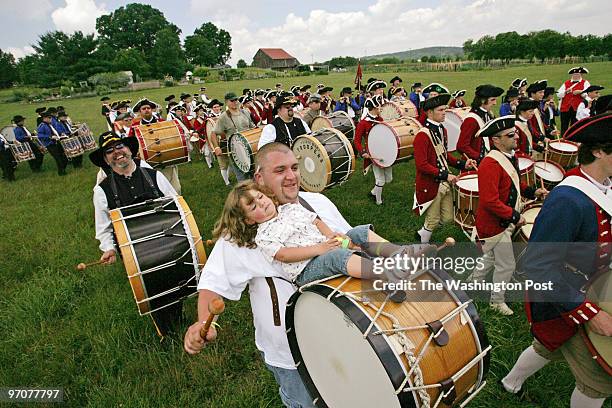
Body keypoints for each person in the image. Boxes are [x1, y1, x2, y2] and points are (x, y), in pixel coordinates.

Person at [183, 142, 423, 406]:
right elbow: (212, 286)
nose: (291, 176)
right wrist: (204, 323)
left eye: (295, 168)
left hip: (348, 335)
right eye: (280, 170)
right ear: (259, 179)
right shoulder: (238, 238)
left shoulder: (317, 202)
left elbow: (350, 244)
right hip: (290, 352)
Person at [502, 113, 612, 407]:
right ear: (599, 150)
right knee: (598, 381)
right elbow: (537, 267)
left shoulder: (604, 187)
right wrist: (589, 312)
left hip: (594, 288)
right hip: (568, 297)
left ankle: (510, 383)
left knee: (547, 346)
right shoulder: (568, 199)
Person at [216, 179, 421, 290]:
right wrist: (321, 248)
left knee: (358, 232)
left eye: (260, 197)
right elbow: (284, 255)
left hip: (326, 246)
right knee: (336, 257)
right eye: (253, 207)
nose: (261, 203)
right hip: (307, 269)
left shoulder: (290, 208)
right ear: (249, 220)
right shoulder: (264, 235)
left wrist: (334, 237)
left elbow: (316, 221)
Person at [90, 131, 179, 336]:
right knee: (152, 289)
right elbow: (103, 227)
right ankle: (165, 330)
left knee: (174, 279)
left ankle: (177, 318)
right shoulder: (101, 191)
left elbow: (177, 205)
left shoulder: (155, 176)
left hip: (167, 239)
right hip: (134, 252)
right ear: (105, 160)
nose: (117, 152)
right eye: (109, 151)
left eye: (120, 146)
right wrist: (109, 249)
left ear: (129, 150)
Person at [471, 116, 546, 315]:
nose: (516, 137)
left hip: (504, 219)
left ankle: (473, 282)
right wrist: (514, 215)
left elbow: (513, 184)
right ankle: (496, 301)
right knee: (506, 264)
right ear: (496, 140)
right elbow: (489, 200)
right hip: (495, 222)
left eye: (515, 133)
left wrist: (532, 192)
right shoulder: (490, 164)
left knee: (491, 255)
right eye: (510, 135)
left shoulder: (509, 156)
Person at [413, 94, 476, 243]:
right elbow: (422, 165)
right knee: (433, 220)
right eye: (441, 110)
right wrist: (445, 175)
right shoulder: (422, 136)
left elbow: (443, 155)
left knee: (448, 218)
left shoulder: (442, 130)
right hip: (430, 182)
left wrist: (462, 164)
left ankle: (422, 233)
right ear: (429, 113)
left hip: (443, 179)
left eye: (445, 109)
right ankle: (423, 248)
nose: (444, 113)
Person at [212, 92, 256, 184]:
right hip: (235, 152)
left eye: (236, 100)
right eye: (232, 100)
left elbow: (252, 128)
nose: (235, 102)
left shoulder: (245, 112)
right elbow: (213, 133)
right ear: (226, 102)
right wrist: (216, 147)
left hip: (250, 149)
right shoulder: (223, 117)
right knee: (242, 179)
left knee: (255, 176)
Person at [457, 84, 504, 163]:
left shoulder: (486, 114)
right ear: (482, 100)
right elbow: (462, 146)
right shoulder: (471, 120)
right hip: (474, 164)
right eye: (492, 100)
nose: (495, 103)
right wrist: (480, 157)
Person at [354, 95, 387, 205]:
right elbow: (357, 141)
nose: (381, 108)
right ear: (373, 108)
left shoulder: (380, 119)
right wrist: (363, 152)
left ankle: (373, 192)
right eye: (379, 107)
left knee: (389, 179)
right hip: (372, 153)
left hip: (384, 151)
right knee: (380, 180)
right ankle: (378, 201)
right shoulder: (363, 123)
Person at [557, 66, 591, 136]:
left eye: (577, 74)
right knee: (564, 125)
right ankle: (564, 138)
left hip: (577, 108)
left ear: (581, 75)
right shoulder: (566, 83)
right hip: (565, 108)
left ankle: (573, 139)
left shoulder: (585, 83)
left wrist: (581, 92)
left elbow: (589, 94)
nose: (575, 76)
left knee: (575, 125)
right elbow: (558, 94)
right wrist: (565, 91)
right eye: (574, 74)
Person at [37, 110, 68, 176]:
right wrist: (50, 137)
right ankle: (61, 172)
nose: (51, 119)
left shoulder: (51, 124)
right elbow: (40, 136)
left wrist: (60, 134)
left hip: (57, 142)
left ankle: (63, 169)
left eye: (51, 117)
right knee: (58, 158)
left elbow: (55, 131)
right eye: (49, 118)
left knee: (64, 156)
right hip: (50, 145)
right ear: (44, 118)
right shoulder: (42, 126)